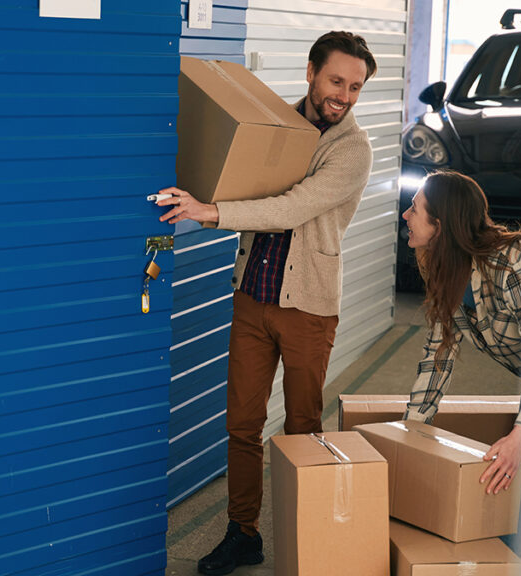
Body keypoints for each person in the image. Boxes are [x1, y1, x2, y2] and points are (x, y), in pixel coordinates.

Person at [155, 31, 377, 576]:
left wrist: (209, 212)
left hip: (307, 308)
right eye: (335, 81)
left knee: (302, 427)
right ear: (310, 72)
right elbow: (243, 173)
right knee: (242, 425)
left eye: (355, 87)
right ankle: (243, 534)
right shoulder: (276, 125)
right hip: (253, 296)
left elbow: (291, 206)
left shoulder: (354, 150)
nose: (344, 95)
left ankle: (308, 540)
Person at [400, 170, 521, 508]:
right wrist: (408, 434)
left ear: (440, 225)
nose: (406, 215)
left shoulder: (515, 263)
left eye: (414, 208)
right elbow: (438, 355)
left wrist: (519, 436)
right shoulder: (442, 267)